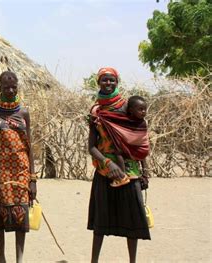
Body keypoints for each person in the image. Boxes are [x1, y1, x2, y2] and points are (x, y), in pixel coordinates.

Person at [87, 67, 151, 263]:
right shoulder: (95, 111)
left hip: (129, 171)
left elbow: (138, 138)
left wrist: (145, 172)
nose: (108, 83)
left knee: (132, 219)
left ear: (117, 82)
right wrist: (107, 163)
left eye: (111, 80)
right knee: (100, 222)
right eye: (104, 80)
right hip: (105, 170)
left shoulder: (127, 107)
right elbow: (91, 147)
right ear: (98, 83)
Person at [0, 71, 36, 263]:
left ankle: (19, 259)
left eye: (13, 86)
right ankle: (2, 257)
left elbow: (29, 146)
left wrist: (33, 179)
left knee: (21, 216)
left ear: (17, 87)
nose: (10, 90)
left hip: (21, 172)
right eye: (6, 86)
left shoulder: (23, 113)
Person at [111, 95, 150, 187]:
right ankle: (123, 174)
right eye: (140, 109)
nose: (143, 112)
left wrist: (145, 173)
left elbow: (142, 144)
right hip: (122, 154)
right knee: (117, 151)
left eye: (145, 109)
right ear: (131, 110)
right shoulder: (124, 122)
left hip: (137, 156)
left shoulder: (143, 124)